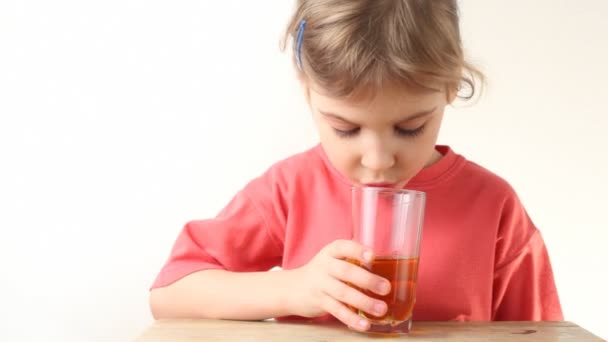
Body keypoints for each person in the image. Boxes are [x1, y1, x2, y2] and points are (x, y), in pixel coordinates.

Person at [149, 0, 563, 332]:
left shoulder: (493, 207)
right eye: (346, 129)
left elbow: (542, 332)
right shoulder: (291, 189)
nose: (378, 160)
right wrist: (293, 288)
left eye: (410, 127)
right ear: (307, 89)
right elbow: (170, 293)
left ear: (451, 85)